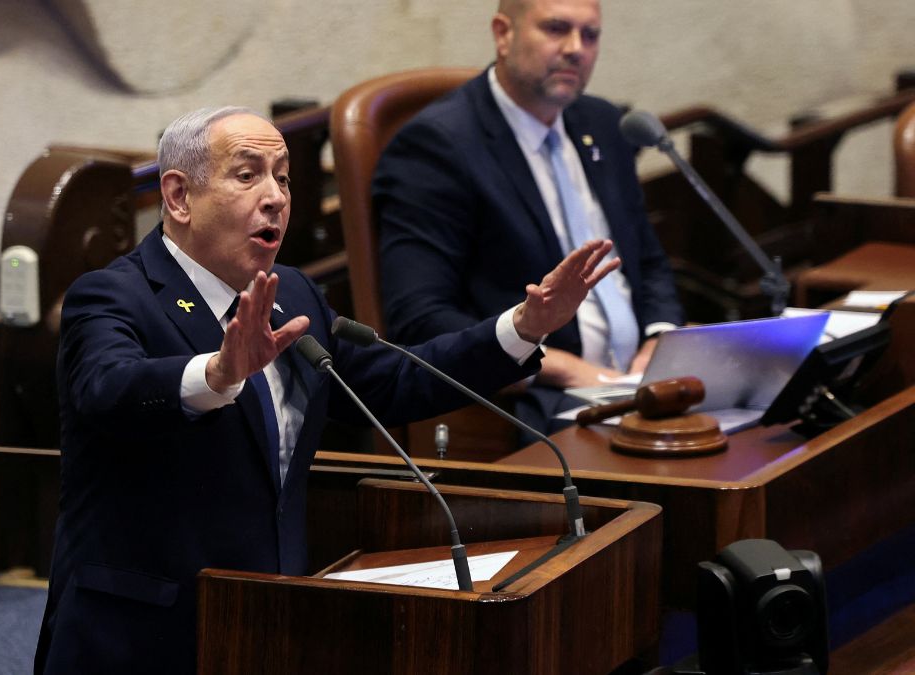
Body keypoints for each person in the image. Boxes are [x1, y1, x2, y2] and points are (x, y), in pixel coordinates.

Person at [33, 106, 618, 674]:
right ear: (179, 196)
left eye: (282, 178)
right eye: (247, 175)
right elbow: (107, 391)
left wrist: (523, 328)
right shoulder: (111, 296)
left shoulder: (292, 292)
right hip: (142, 638)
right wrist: (216, 373)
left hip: (268, 619)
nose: (276, 197)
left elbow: (392, 381)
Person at [373, 0, 684, 438]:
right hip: (534, 404)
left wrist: (659, 341)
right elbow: (419, 319)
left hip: (639, 388)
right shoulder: (438, 147)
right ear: (503, 34)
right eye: (557, 29)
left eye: (590, 34)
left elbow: (648, 262)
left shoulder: (602, 121)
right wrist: (561, 368)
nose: (576, 49)